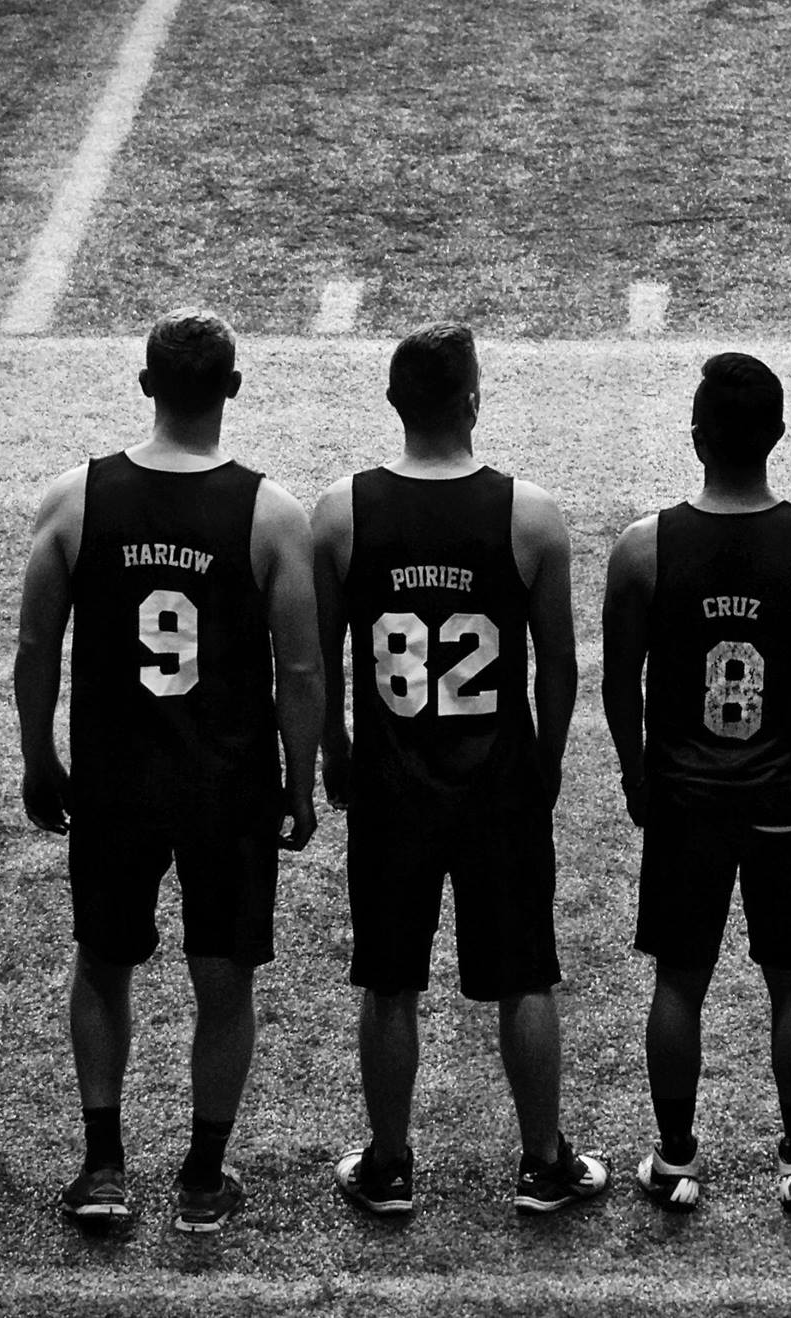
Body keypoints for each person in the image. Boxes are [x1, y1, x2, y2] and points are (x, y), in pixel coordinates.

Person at [15, 308, 323, 1233]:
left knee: (102, 964)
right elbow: (301, 669)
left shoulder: (75, 498)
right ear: (232, 388)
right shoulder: (270, 512)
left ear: (144, 384)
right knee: (223, 979)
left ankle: (103, 1167)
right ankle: (200, 1177)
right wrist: (301, 782)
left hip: (114, 780)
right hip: (226, 786)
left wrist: (37, 756)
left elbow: (35, 646)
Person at [314, 322, 607, 1217]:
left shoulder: (341, 511)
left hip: (392, 780)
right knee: (524, 973)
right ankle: (542, 1164)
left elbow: (320, 660)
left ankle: (390, 1166)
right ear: (474, 398)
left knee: (389, 978)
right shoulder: (529, 513)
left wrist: (334, 752)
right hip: (499, 781)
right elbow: (559, 664)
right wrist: (545, 760)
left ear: (395, 404)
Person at [601, 352, 791, 1214]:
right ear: (779, 436)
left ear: (695, 437)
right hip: (788, 799)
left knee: (679, 980)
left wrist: (636, 773)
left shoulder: (643, 548)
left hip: (683, 796)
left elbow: (618, 683)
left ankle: (675, 1158)